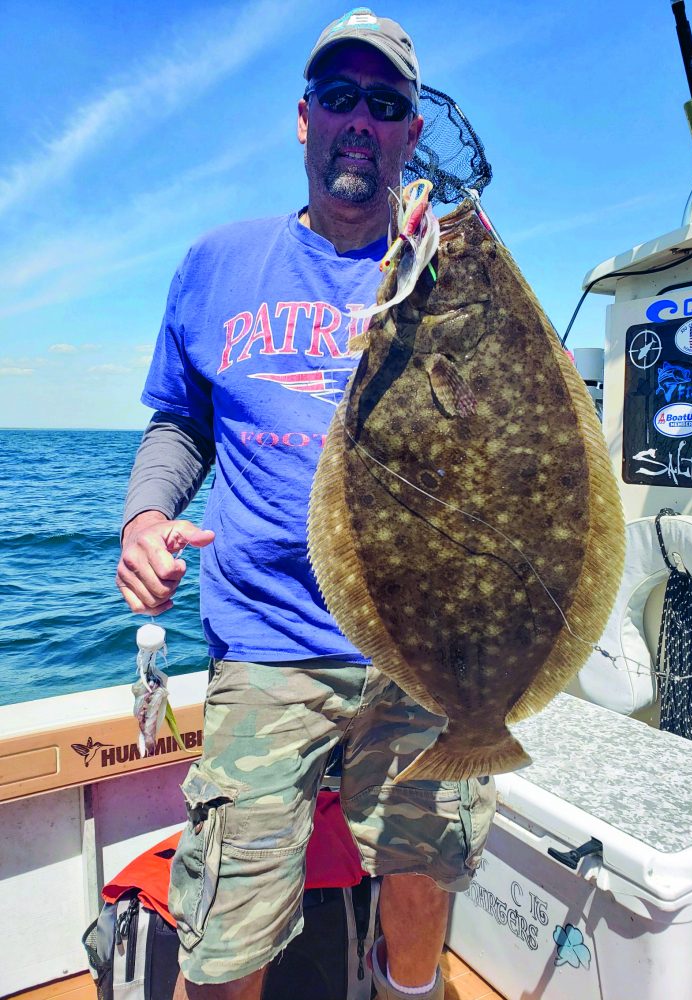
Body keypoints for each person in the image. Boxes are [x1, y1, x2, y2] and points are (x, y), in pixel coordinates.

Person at [116, 10, 496, 1000]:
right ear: (304, 119)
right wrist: (144, 517)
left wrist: (464, 283)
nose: (360, 121)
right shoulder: (216, 264)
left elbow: (505, 446)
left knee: (425, 860)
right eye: (340, 99)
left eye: (385, 104)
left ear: (412, 132)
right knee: (227, 926)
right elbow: (179, 424)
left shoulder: (450, 271)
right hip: (268, 639)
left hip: (420, 643)